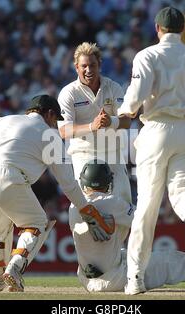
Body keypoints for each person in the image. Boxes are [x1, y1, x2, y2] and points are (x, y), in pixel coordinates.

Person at [117, 7, 185, 294]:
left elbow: (134, 101)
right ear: (181, 28)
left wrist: (122, 111)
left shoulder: (147, 55)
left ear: (157, 29)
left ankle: (136, 277)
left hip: (156, 130)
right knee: (183, 195)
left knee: (147, 207)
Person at [0, 95, 114, 292]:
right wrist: (87, 209)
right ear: (49, 113)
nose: (55, 125)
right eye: (55, 120)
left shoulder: (3, 120)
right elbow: (68, 184)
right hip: (7, 176)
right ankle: (15, 268)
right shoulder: (49, 135)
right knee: (37, 224)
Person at [69, 160, 185, 293]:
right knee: (178, 261)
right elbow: (142, 221)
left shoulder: (73, 208)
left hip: (87, 278)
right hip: (116, 278)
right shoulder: (113, 203)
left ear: (83, 183)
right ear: (108, 182)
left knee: (124, 252)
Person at [57, 42, 132, 203]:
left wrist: (110, 121)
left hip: (113, 154)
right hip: (83, 155)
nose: (88, 70)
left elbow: (127, 121)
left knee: (124, 204)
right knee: (88, 205)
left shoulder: (114, 87)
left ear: (99, 65)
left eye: (92, 65)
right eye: (84, 66)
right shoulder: (68, 93)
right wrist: (93, 126)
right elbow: (63, 130)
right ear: (76, 67)